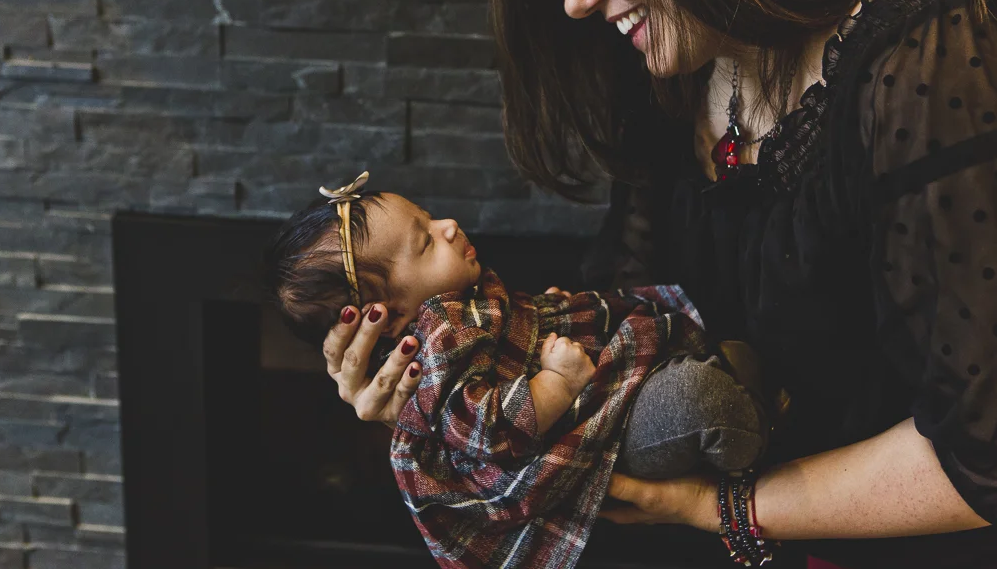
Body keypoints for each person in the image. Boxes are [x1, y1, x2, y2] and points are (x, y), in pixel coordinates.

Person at [321, 0, 997, 566]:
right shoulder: (683, 63)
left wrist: (722, 508)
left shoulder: (929, 56)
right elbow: (619, 351)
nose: (573, 0)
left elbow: (984, 455)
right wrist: (443, 403)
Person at [264, 173, 769, 568]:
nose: (448, 226)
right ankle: (758, 437)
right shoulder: (440, 343)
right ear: (391, 316)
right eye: (424, 243)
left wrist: (539, 319)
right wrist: (555, 381)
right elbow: (492, 430)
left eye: (429, 217)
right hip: (594, 436)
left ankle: (736, 387)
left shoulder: (459, 308)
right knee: (693, 401)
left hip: (604, 392)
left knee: (689, 371)